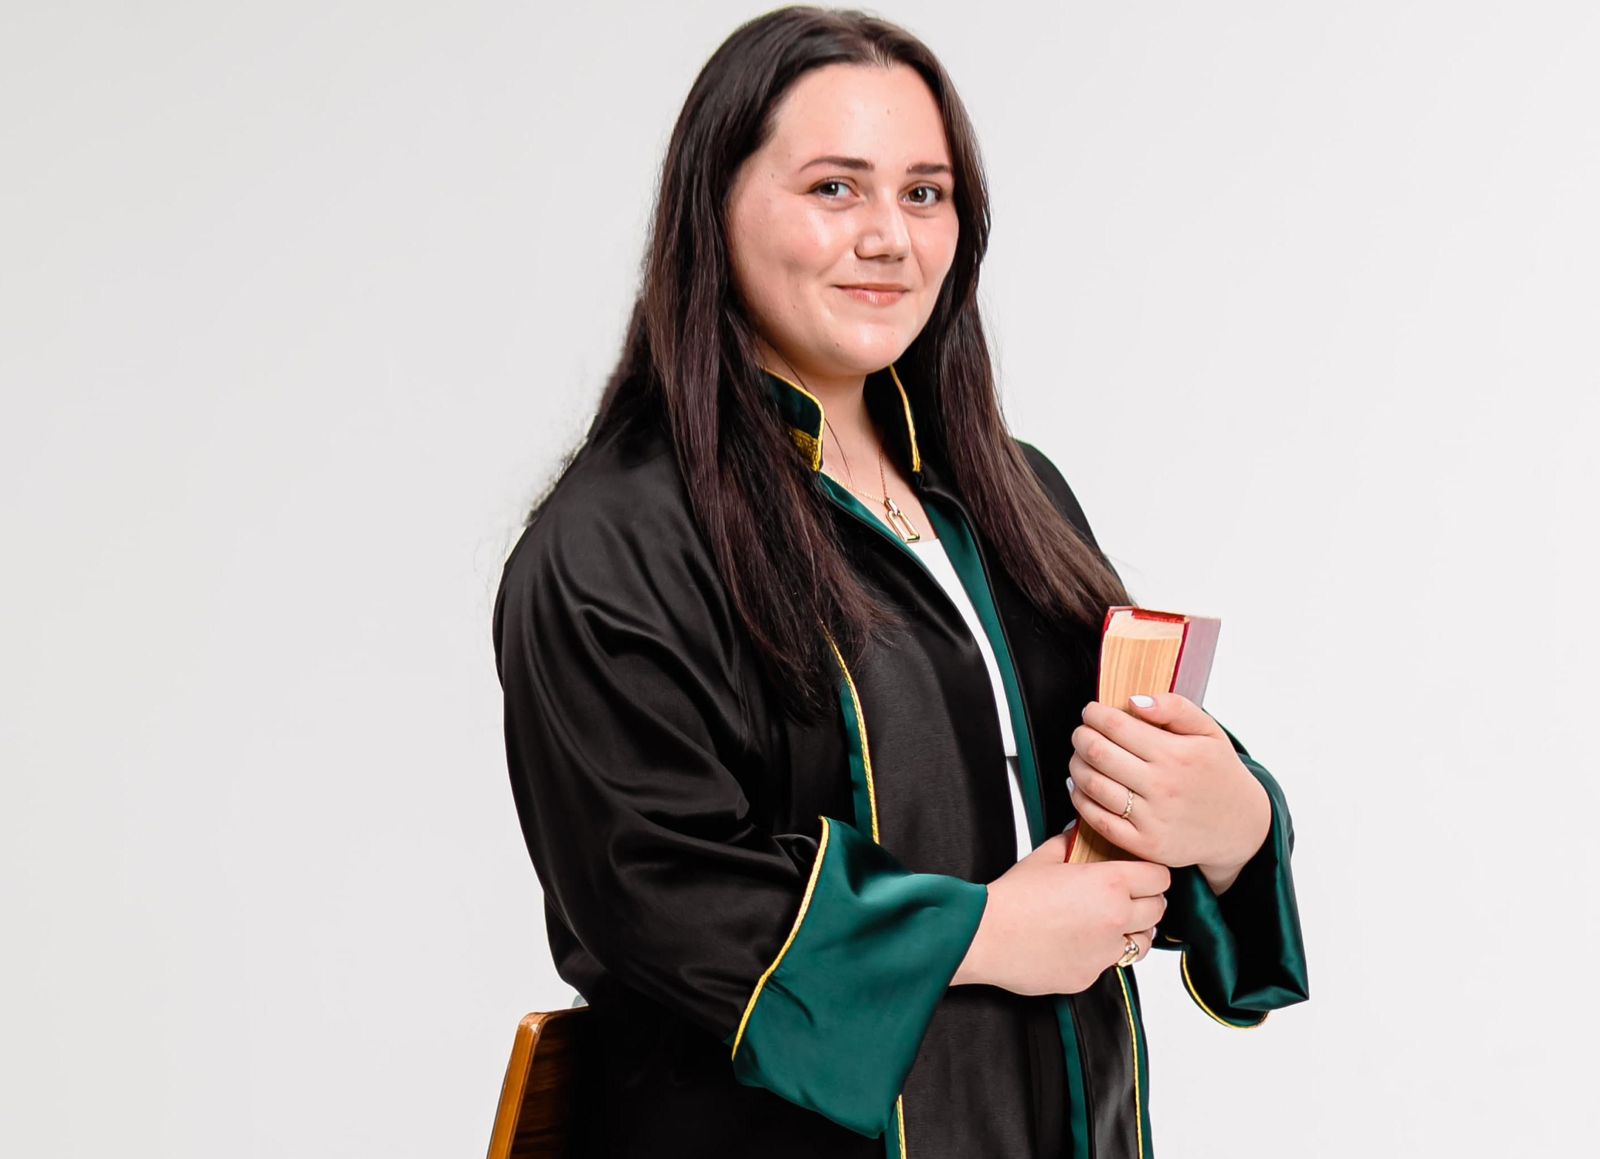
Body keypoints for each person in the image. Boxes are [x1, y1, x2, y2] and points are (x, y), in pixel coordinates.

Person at [491, 7, 1308, 1157]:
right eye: (834, 188)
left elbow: (1110, 807)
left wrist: (1232, 819)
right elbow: (659, 888)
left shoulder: (1011, 499)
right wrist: (983, 934)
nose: (887, 237)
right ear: (714, 207)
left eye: (924, 193)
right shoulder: (618, 542)